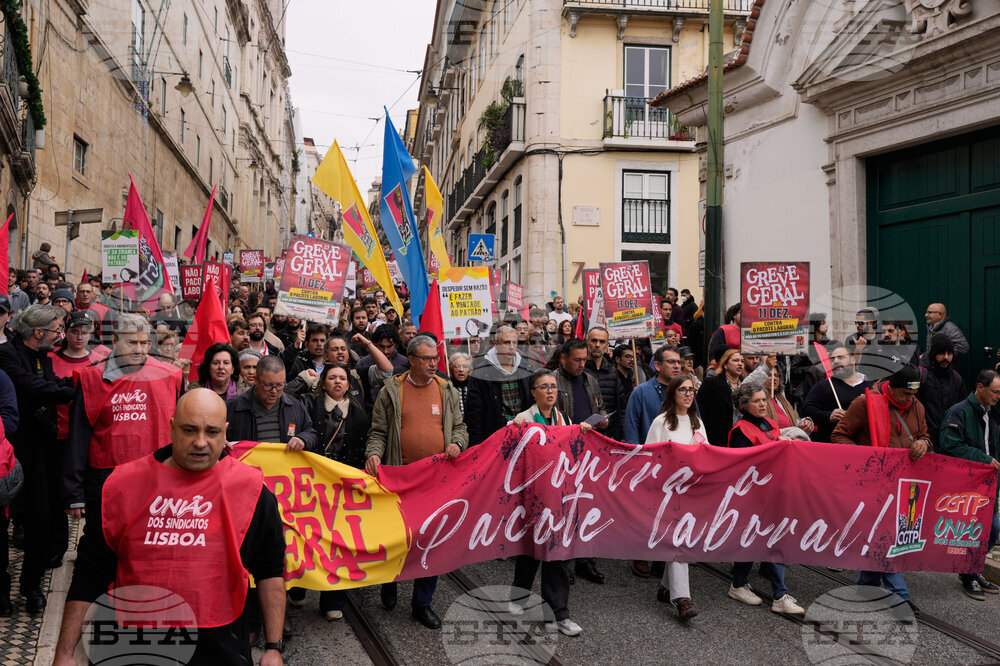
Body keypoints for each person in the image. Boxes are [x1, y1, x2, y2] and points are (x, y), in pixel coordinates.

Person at [53, 389, 287, 666]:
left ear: (225, 432)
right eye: (189, 430)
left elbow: (270, 571)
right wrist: (65, 653)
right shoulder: (122, 485)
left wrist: (273, 647)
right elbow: (90, 574)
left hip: (217, 646)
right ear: (171, 427)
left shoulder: (252, 490)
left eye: (211, 432)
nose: (200, 442)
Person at [365, 335, 468, 629]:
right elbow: (378, 431)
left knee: (430, 543)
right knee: (397, 538)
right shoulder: (392, 391)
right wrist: (373, 454)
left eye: (436, 358)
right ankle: (390, 581)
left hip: (436, 483)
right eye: (427, 359)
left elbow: (460, 427)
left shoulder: (447, 390)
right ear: (411, 360)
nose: (434, 364)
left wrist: (458, 443)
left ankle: (422, 604)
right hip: (401, 481)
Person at [63, 314, 184, 540]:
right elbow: (78, 438)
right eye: (131, 342)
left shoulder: (171, 376)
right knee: (102, 542)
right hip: (106, 480)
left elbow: (184, 426)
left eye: (144, 343)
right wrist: (74, 493)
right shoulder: (91, 379)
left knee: (151, 541)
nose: (138, 349)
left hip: (157, 476)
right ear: (115, 340)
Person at [830, 366, 929, 611]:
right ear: (892, 388)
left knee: (882, 537)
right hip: (873, 484)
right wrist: (870, 459)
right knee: (885, 538)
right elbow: (839, 435)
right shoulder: (865, 403)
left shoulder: (917, 406)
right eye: (905, 394)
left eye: (912, 394)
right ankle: (899, 596)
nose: (910, 399)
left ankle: (868, 584)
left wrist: (924, 443)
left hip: (904, 483)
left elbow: (925, 435)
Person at [0, 305, 75, 613]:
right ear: (39, 332)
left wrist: (70, 385)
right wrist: (74, 390)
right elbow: (32, 386)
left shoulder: (43, 355)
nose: (61, 335)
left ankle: (32, 585)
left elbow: (52, 382)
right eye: (58, 329)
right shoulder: (7, 355)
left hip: (41, 451)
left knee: (40, 518)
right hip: (10, 454)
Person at [507, 368, 589, 637]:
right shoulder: (522, 419)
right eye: (544, 387)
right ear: (533, 392)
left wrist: (581, 433)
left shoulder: (563, 418)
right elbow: (509, 453)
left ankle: (558, 614)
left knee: (556, 553)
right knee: (529, 550)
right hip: (531, 498)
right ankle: (518, 597)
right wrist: (513, 431)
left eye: (553, 386)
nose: (551, 391)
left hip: (558, 497)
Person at [724, 382, 804, 615]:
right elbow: (745, 464)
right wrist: (776, 448)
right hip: (754, 496)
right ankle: (777, 594)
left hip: (773, 491)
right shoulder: (740, 430)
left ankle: (741, 585)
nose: (762, 404)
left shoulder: (770, 423)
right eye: (757, 400)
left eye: (764, 399)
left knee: (764, 541)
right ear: (743, 404)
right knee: (760, 542)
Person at [302, 363, 371, 621]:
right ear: (323, 382)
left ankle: (333, 599)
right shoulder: (309, 405)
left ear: (349, 384)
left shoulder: (359, 413)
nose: (338, 382)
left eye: (343, 378)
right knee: (306, 538)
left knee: (339, 543)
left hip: (343, 486)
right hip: (312, 484)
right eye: (332, 377)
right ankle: (299, 587)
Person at [644, 375, 704, 621]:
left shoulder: (697, 423)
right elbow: (649, 456)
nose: (688, 394)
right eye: (683, 390)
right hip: (666, 493)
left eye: (691, 390)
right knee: (677, 542)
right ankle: (682, 599)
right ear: (673, 394)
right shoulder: (661, 422)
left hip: (688, 492)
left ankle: (666, 588)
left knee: (680, 541)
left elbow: (705, 454)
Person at [938, 369, 1000, 600]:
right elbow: (948, 444)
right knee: (971, 530)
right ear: (980, 388)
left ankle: (973, 568)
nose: (998, 396)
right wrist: (984, 460)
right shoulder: (958, 412)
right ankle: (968, 573)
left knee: (993, 528)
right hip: (966, 485)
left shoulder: (993, 413)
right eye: (995, 392)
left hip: (990, 484)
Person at [551, 338, 607, 585]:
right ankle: (563, 563)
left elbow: (601, 407)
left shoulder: (590, 380)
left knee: (586, 508)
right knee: (565, 511)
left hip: (589, 454)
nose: (582, 364)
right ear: (564, 358)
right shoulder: (552, 381)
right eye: (577, 360)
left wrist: (603, 419)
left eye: (585, 359)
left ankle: (584, 561)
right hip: (563, 455)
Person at [466, 326, 532, 446]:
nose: (511, 347)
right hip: (494, 440)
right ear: (495, 344)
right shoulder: (480, 373)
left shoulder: (526, 368)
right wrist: (478, 447)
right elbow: (474, 416)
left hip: (524, 437)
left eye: (514, 342)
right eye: (507, 342)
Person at [801, 345, 872, 443]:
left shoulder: (871, 386)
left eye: (841, 357)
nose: (836, 361)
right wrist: (828, 415)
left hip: (866, 446)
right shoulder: (824, 386)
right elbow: (806, 409)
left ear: (853, 360)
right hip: (834, 445)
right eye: (832, 359)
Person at [917, 334, 965, 445]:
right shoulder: (921, 375)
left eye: (949, 353)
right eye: (942, 353)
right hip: (925, 441)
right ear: (933, 354)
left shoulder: (957, 379)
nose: (946, 357)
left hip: (949, 441)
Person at [584, 326, 626, 440]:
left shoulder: (613, 372)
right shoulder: (579, 370)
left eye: (602, 341)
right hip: (583, 433)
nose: (598, 345)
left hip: (608, 436)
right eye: (594, 340)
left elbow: (621, 407)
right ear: (587, 342)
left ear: (607, 345)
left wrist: (622, 435)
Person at [696, 348, 743, 446]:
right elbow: (699, 410)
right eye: (735, 360)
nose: (740, 364)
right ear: (725, 365)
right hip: (715, 440)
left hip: (739, 441)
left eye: (742, 361)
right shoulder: (711, 383)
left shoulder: (745, 386)